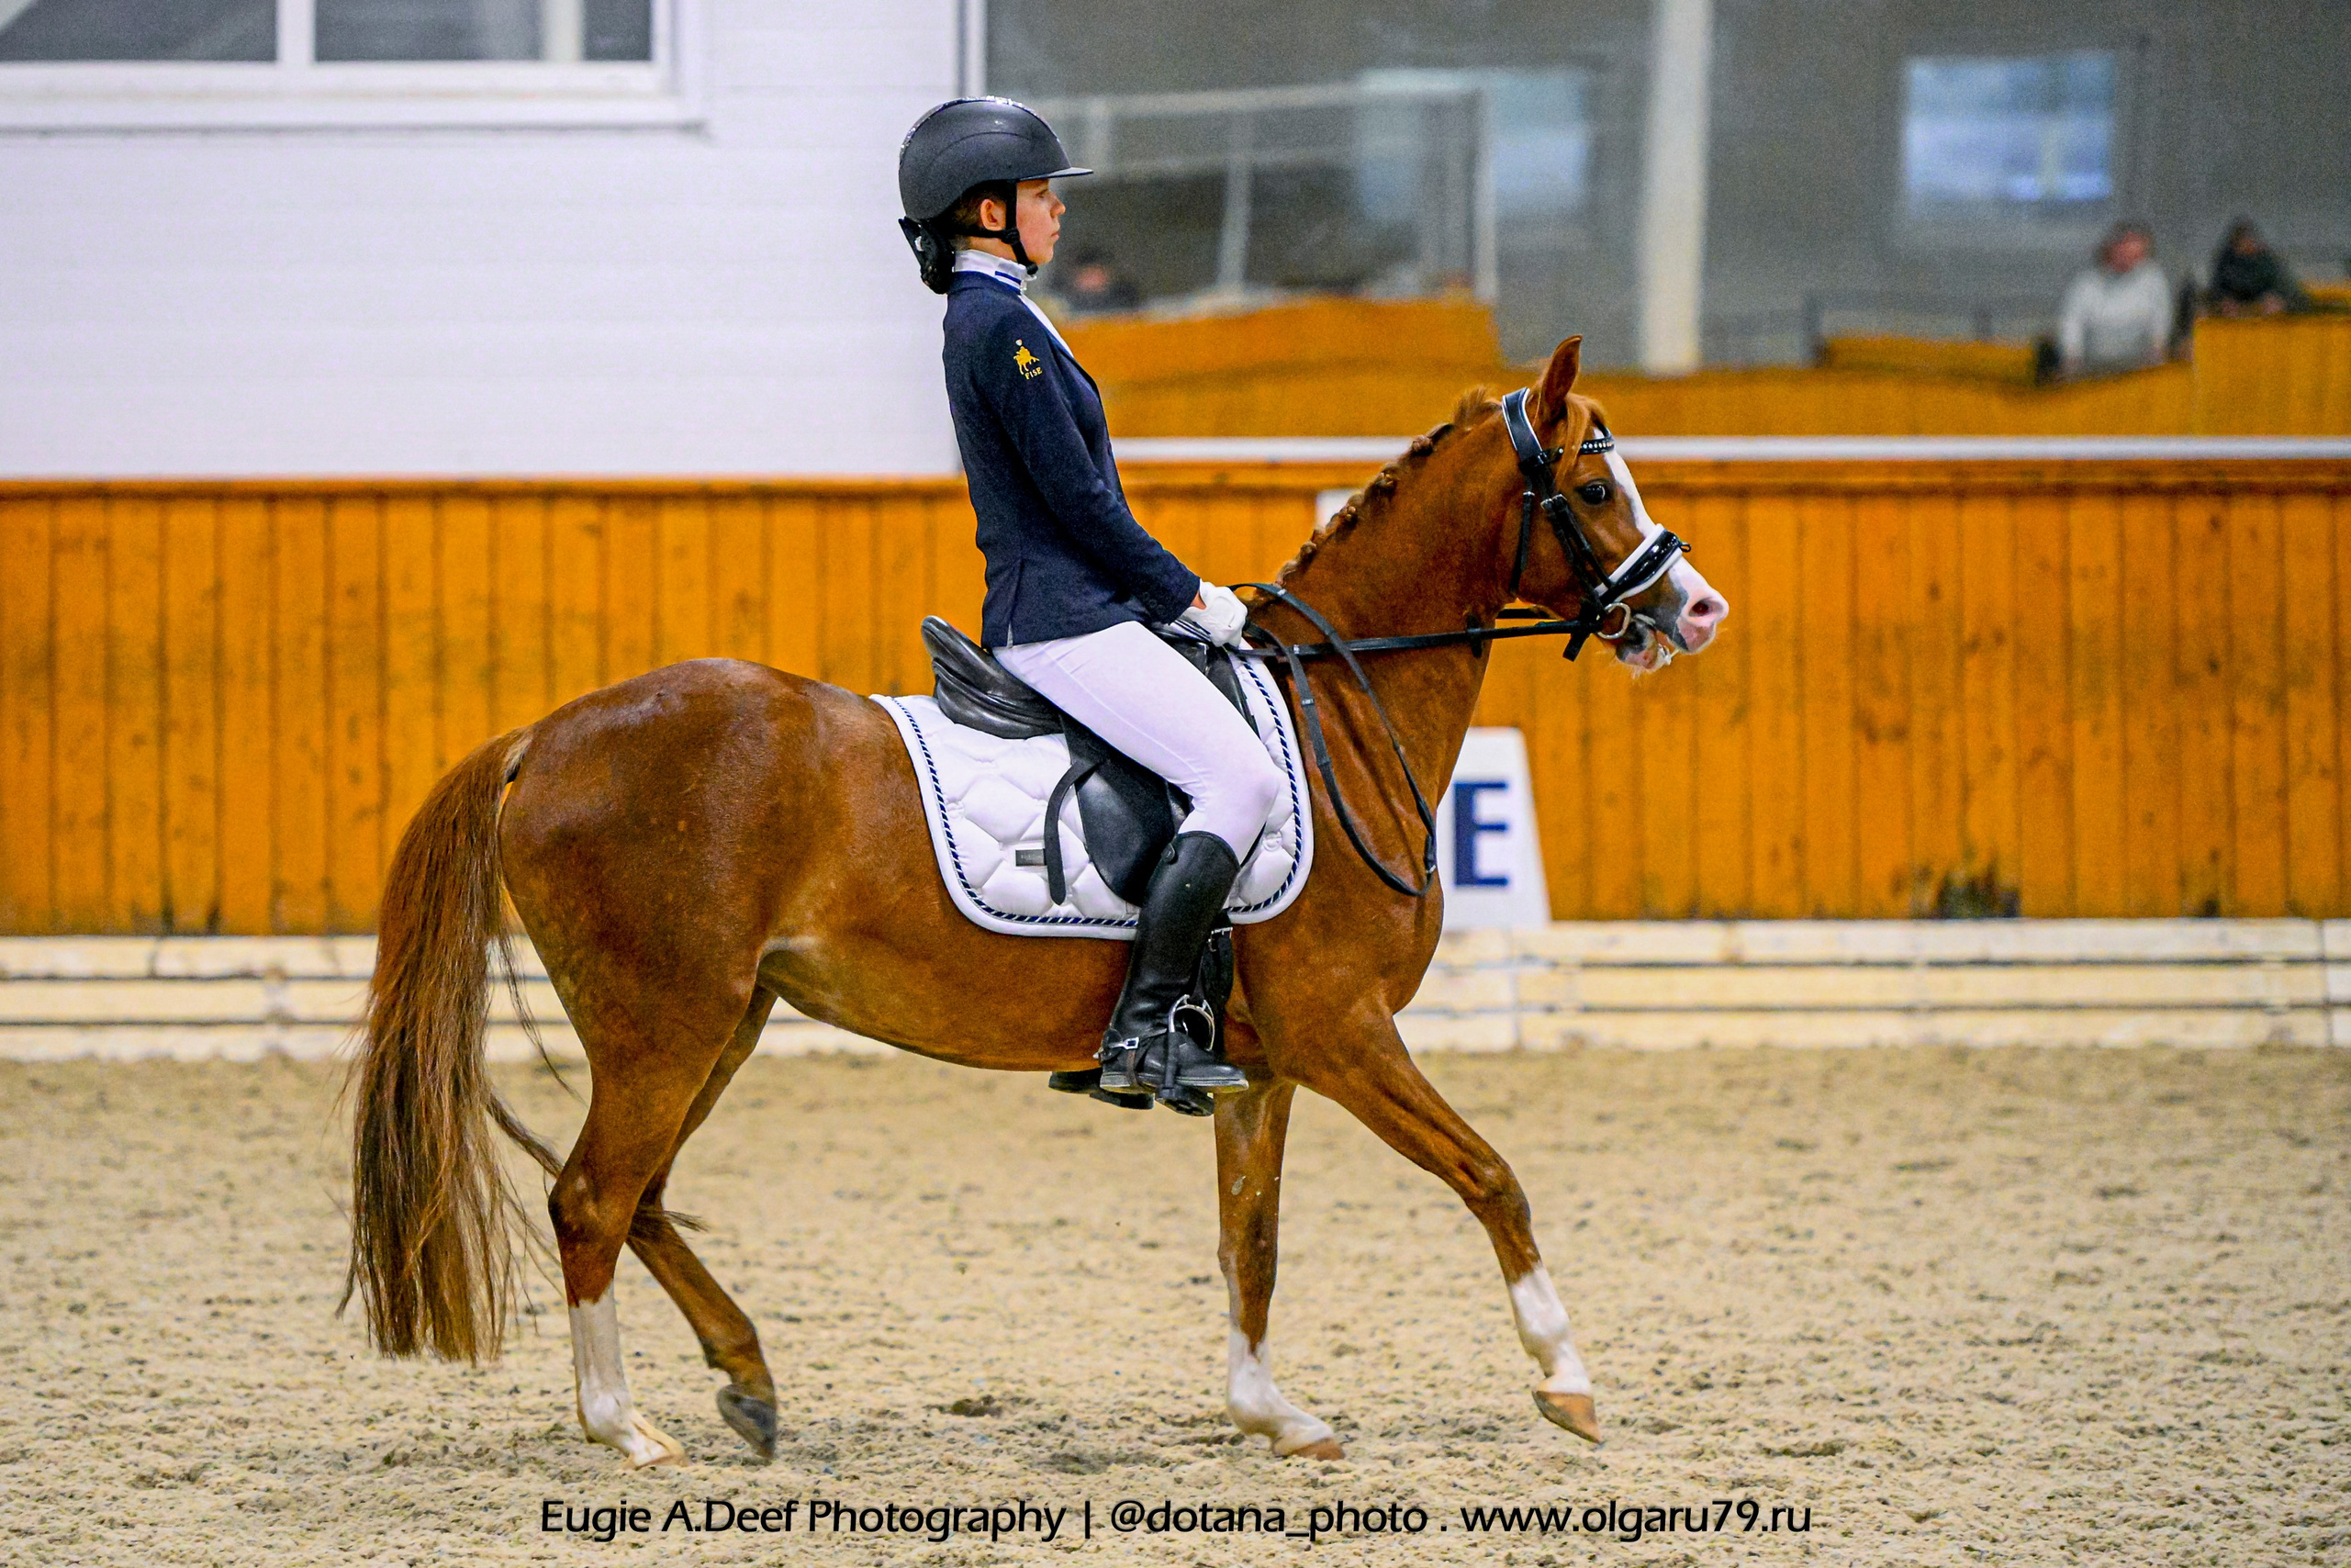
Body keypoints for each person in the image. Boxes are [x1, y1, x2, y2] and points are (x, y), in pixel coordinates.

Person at [896, 97, 1280, 1115]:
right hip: (1061, 616)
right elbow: (1078, 502)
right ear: (986, 211)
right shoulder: (996, 326)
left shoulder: (1004, 313)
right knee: (1240, 781)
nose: (1056, 214)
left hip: (1078, 606)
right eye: (1037, 196)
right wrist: (1191, 596)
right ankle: (1142, 1027)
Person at [2055, 222, 2172, 375]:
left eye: (2135, 254)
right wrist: (2072, 356)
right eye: (2122, 248)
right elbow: (2071, 322)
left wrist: (2158, 348)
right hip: (2093, 367)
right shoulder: (2086, 283)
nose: (2126, 258)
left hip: (2140, 368)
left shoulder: (2153, 279)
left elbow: (2161, 318)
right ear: (2111, 249)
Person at [2208, 220, 2304, 316]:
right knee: (2227, 307)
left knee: (2272, 304)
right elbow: (2218, 286)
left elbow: (2281, 284)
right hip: (2237, 299)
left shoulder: (2265, 259)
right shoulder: (2226, 260)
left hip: (2264, 297)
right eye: (2242, 242)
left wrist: (2277, 297)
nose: (2247, 245)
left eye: (2249, 240)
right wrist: (2224, 299)